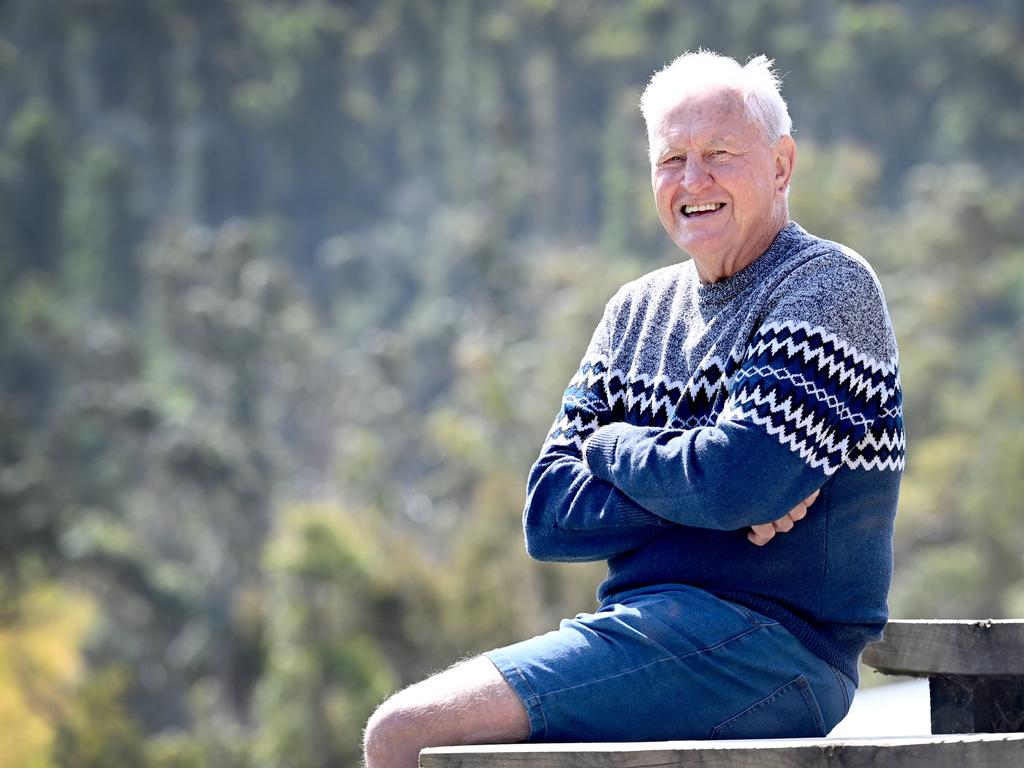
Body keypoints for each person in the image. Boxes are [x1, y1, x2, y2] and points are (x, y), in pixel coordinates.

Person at [363, 50, 904, 767]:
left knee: (404, 734)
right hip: (646, 633)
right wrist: (712, 488)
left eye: (718, 154)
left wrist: (616, 448)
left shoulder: (827, 288)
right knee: (408, 729)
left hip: (774, 652)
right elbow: (549, 513)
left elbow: (739, 481)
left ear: (780, 165)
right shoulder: (635, 312)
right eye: (671, 159)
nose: (692, 180)